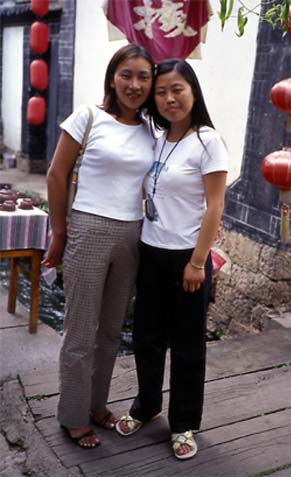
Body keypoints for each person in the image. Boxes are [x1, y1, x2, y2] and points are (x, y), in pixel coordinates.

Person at [42, 44, 155, 449]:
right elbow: (56, 175)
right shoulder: (87, 117)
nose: (135, 84)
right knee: (80, 330)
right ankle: (73, 415)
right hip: (88, 229)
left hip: (132, 234)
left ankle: (96, 404)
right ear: (112, 77)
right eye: (127, 75)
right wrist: (60, 231)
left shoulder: (150, 129)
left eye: (144, 77)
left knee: (110, 330)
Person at [116, 59, 228, 460]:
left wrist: (198, 262)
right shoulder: (157, 135)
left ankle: (183, 423)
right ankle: (147, 406)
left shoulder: (208, 141)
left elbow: (215, 205)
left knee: (186, 345)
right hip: (151, 252)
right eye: (160, 91)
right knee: (146, 338)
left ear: (193, 91)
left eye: (176, 89)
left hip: (187, 258)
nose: (167, 98)